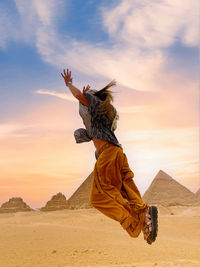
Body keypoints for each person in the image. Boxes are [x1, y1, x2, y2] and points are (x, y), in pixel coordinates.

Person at [61, 69, 158, 244]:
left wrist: (69, 84)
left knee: (98, 197)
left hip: (108, 155)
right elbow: (87, 115)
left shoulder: (95, 105)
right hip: (118, 153)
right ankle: (144, 214)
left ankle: (133, 222)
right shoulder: (102, 116)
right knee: (127, 190)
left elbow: (80, 98)